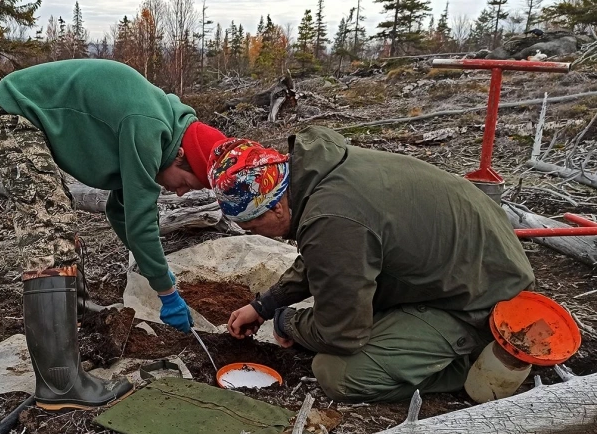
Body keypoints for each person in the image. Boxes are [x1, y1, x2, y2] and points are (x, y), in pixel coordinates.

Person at [0, 59, 226, 410]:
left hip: (19, 112)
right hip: (10, 112)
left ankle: (75, 311)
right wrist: (166, 290)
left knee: (56, 211)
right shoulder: (150, 127)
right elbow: (142, 220)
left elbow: (120, 210)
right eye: (186, 185)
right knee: (48, 223)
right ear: (181, 158)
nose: (178, 194)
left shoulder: (158, 129)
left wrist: (155, 272)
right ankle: (59, 383)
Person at [210, 126, 534, 403]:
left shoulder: (331, 217)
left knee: (335, 372)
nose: (255, 235)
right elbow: (326, 255)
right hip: (475, 271)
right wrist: (265, 304)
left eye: (252, 228)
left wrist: (287, 323)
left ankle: (465, 367)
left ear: (274, 209)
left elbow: (342, 334)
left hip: (484, 305)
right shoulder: (321, 176)